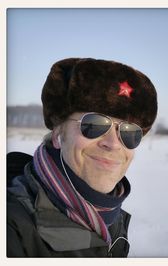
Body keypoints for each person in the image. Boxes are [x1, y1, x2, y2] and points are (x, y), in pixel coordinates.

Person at [7, 58, 157, 257]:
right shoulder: (12, 227)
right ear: (58, 135)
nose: (112, 143)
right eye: (94, 124)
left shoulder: (111, 218)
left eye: (129, 132)